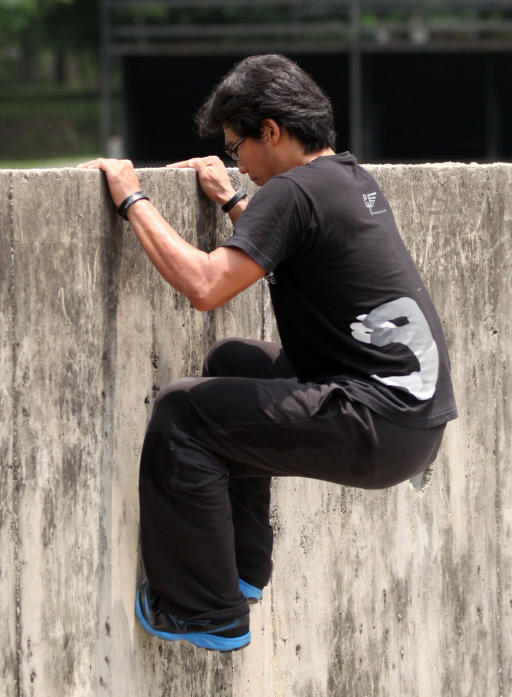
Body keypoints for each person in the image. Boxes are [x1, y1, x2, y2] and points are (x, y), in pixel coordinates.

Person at [79, 54, 457, 653]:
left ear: (272, 131)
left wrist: (133, 199)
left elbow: (206, 286)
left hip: (377, 423)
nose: (239, 164)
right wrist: (232, 201)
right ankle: (241, 569)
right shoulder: (347, 178)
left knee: (183, 414)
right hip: (412, 420)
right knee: (234, 363)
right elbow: (288, 239)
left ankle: (205, 611)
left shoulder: (292, 191)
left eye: (237, 148)